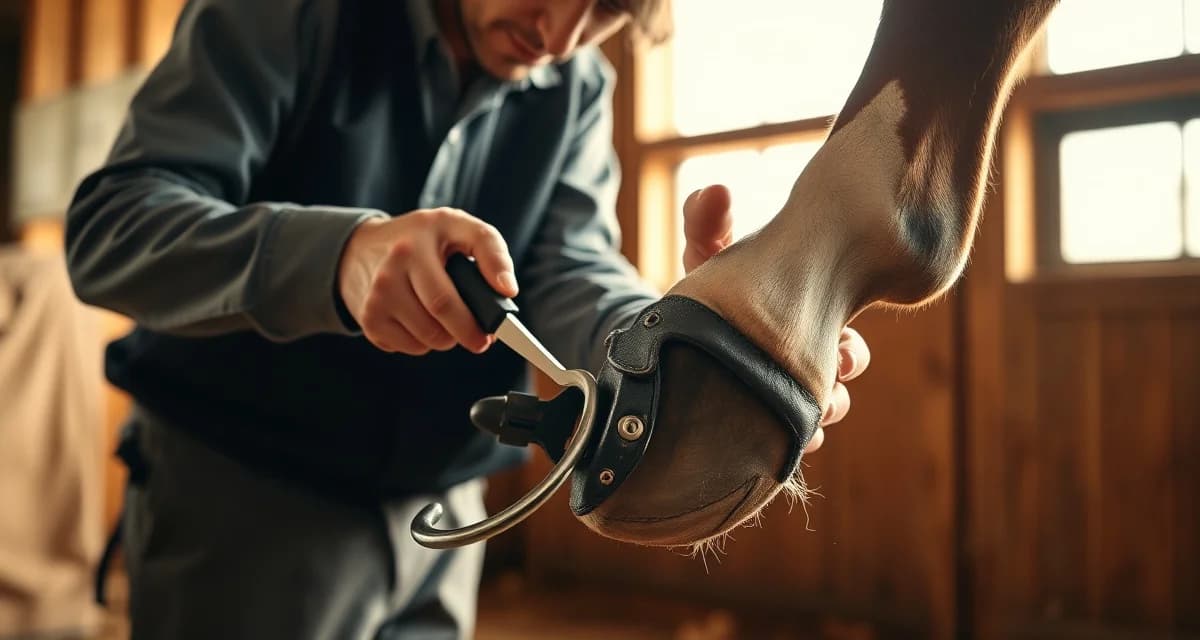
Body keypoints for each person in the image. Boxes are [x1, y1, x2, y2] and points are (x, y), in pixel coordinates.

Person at [65, 0, 870, 638]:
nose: (560, 32)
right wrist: (339, 259)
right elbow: (111, 230)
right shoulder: (294, 12)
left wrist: (686, 341)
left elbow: (571, 268)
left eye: (607, 11)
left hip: (447, 526)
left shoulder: (578, 87)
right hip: (246, 510)